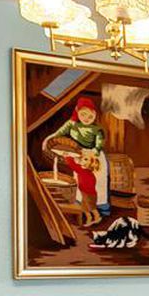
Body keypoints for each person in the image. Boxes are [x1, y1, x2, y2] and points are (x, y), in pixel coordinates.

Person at [44, 96, 111, 225]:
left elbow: (99, 144)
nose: (86, 118)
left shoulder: (97, 129)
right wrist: (49, 139)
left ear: (95, 114)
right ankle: (83, 208)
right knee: (81, 181)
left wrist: (92, 152)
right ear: (77, 112)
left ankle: (101, 209)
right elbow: (58, 133)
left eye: (90, 115)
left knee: (98, 182)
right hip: (78, 154)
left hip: (93, 156)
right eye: (83, 114)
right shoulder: (72, 124)